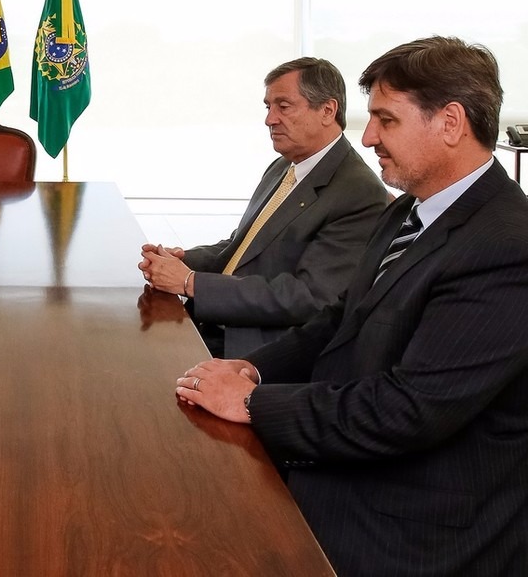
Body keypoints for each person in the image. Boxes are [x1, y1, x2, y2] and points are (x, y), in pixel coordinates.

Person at [177, 37, 528, 575]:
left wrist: (252, 404)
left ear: (451, 123)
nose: (367, 138)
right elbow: (340, 318)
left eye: (386, 121)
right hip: (348, 464)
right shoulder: (406, 212)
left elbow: (409, 410)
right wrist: (253, 367)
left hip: (414, 528)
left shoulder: (507, 246)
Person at [139, 57, 388, 358]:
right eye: (268, 107)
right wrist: (180, 260)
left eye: (283, 107)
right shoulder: (284, 167)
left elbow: (309, 297)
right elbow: (241, 248)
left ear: (327, 110)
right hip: (215, 322)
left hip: (258, 351)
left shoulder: (357, 191)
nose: (270, 119)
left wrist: (190, 282)